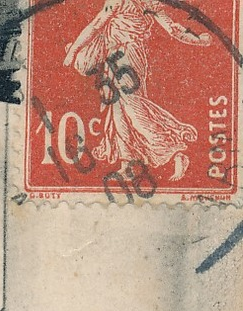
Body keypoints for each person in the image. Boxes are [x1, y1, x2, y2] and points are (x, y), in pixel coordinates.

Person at [63, 0, 211, 181]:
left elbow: (95, 26)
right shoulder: (150, 3)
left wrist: (73, 51)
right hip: (132, 56)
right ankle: (127, 163)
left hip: (123, 57)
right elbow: (173, 29)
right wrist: (199, 40)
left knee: (133, 108)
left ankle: (172, 152)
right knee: (119, 109)